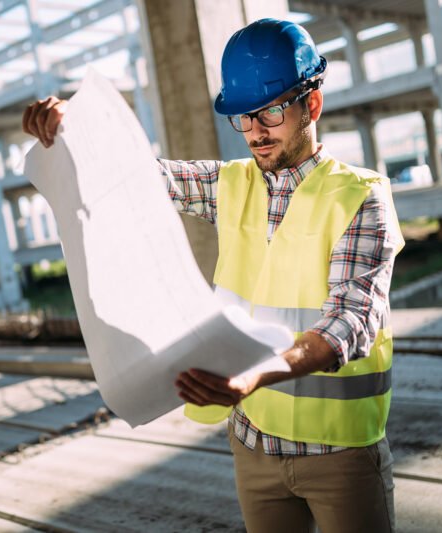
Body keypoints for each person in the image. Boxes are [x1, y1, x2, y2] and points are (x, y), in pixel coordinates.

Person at [23, 18, 403, 533]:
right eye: (242, 118)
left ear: (310, 105)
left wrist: (255, 375)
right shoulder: (230, 184)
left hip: (339, 455)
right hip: (253, 445)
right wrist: (74, 127)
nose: (255, 133)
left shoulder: (362, 196)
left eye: (269, 112)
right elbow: (136, 174)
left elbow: (351, 324)